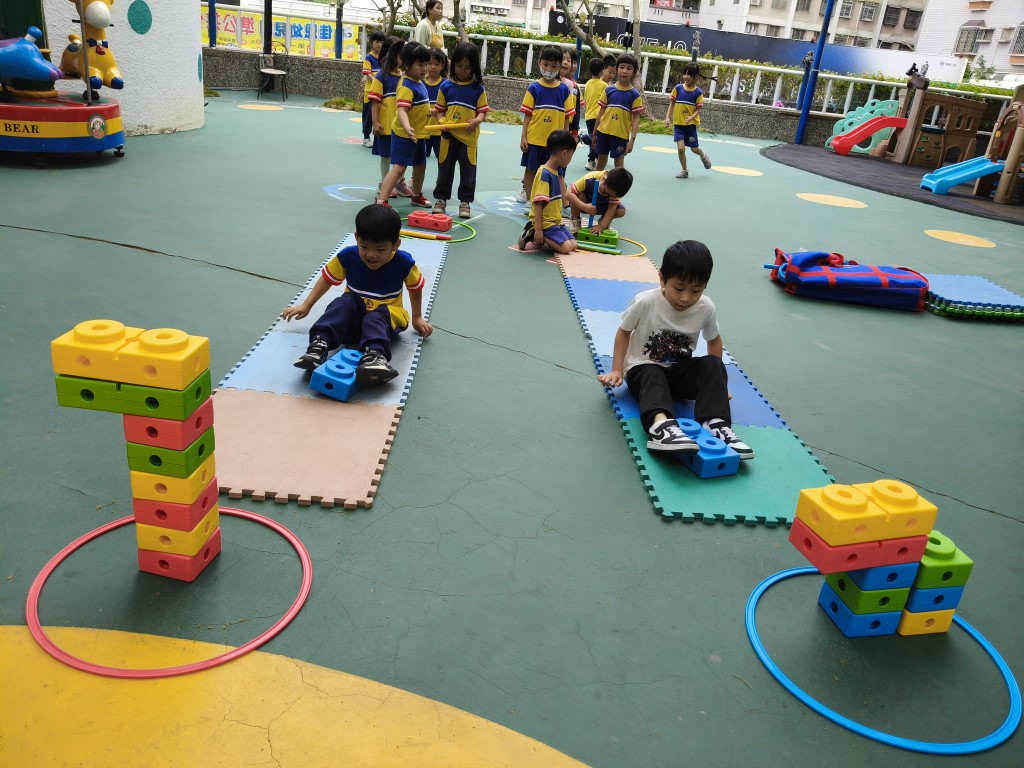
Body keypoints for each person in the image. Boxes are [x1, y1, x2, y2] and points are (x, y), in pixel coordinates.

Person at [597, 240, 754, 459]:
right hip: (643, 372)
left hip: (678, 374)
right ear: (662, 278)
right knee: (652, 372)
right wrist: (616, 369)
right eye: (679, 288)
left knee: (712, 363)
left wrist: (716, 388)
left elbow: (714, 341)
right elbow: (624, 332)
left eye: (695, 290)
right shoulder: (646, 301)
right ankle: (661, 427)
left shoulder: (706, 307)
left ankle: (716, 424)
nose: (685, 298)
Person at [284, 204, 433, 384]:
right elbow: (327, 279)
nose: (371, 255)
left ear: (395, 245)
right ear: (356, 238)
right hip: (354, 323)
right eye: (364, 246)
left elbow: (415, 287)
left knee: (376, 317)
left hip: (388, 318)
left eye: (380, 249)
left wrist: (417, 317)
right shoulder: (348, 256)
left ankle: (375, 356)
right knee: (342, 303)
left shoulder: (403, 262)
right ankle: (318, 346)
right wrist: (307, 305)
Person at [432, 41, 489, 219]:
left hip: (469, 138)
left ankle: (465, 202)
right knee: (444, 169)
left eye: (467, 67)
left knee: (468, 171)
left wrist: (477, 121)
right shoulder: (446, 86)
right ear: (453, 64)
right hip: (448, 135)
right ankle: (441, 199)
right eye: (459, 66)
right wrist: (442, 122)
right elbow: (440, 111)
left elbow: (483, 112)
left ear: (474, 68)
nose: (462, 70)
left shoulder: (477, 88)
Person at [516, 45, 575, 204]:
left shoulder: (564, 90)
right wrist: (524, 137)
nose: (549, 69)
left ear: (560, 67)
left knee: (557, 173)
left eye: (554, 66)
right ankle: (530, 201)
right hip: (534, 139)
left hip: (555, 143)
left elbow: (567, 117)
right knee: (531, 170)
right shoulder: (534, 88)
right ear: (539, 63)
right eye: (546, 64)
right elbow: (528, 115)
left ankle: (564, 204)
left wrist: (565, 140)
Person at [377, 41, 433, 208]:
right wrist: (407, 127)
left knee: (420, 165)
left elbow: (419, 107)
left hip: (417, 134)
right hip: (404, 134)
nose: (425, 69)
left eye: (426, 64)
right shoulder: (407, 86)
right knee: (399, 168)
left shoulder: (418, 82)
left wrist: (433, 112)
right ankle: (382, 200)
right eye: (420, 65)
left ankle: (416, 195)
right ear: (407, 65)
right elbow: (402, 110)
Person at [517, 130, 578, 255]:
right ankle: (533, 232)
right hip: (545, 223)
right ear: (564, 153)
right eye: (571, 156)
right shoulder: (545, 174)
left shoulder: (556, 170)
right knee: (566, 248)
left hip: (555, 221)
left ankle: (544, 234)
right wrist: (539, 229)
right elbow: (538, 203)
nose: (570, 159)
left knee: (573, 245)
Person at [369, 36, 414, 199]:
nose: (403, 59)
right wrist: (375, 122)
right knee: (386, 156)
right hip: (386, 125)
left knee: (400, 156)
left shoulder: (404, 77)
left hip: (400, 126)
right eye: (400, 55)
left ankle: (400, 182)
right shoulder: (381, 76)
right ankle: (384, 182)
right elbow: (375, 102)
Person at [593, 53, 643, 171]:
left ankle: (618, 185)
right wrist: (594, 134)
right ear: (616, 69)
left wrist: (632, 140)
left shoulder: (635, 95)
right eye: (622, 67)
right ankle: (596, 184)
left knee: (619, 168)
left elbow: (636, 119)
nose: (624, 71)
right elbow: (601, 113)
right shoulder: (608, 90)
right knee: (600, 165)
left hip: (621, 136)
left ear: (634, 72)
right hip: (603, 133)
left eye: (629, 68)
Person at [664, 62, 712, 178]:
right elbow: (672, 104)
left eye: (689, 75)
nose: (686, 77)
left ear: (695, 76)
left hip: (690, 126)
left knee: (694, 149)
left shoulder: (698, 92)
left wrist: (691, 117)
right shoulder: (678, 88)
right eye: (684, 74)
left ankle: (703, 155)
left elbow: (698, 110)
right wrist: (667, 117)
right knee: (681, 148)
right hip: (678, 124)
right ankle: (684, 170)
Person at [563, 166, 632, 235]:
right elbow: (568, 194)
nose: (606, 195)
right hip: (585, 204)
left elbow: (611, 208)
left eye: (610, 196)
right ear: (604, 179)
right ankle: (575, 221)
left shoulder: (616, 189)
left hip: (602, 207)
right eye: (605, 192)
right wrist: (584, 206)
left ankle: (604, 221)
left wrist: (602, 226)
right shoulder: (590, 178)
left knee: (621, 211)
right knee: (578, 195)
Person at [581, 57, 612, 170]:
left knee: (593, 139)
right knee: (597, 139)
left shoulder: (588, 83)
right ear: (601, 71)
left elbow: (586, 98)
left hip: (588, 116)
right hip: (598, 116)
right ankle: (591, 159)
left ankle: (594, 159)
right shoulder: (604, 85)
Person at [360, 31, 386, 148]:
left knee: (380, 115)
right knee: (368, 115)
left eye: (382, 42)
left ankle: (378, 137)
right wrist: (377, 82)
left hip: (382, 92)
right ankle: (366, 137)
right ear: (372, 42)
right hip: (370, 92)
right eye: (377, 42)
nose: (379, 45)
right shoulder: (368, 57)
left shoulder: (385, 58)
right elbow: (367, 73)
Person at [424, 47, 449, 161]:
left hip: (440, 131)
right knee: (421, 161)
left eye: (437, 64)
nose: (433, 67)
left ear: (442, 66)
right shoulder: (420, 83)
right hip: (423, 130)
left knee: (442, 159)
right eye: (430, 63)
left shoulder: (446, 85)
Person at [561, 47, 581, 143]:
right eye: (563, 60)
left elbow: (576, 111)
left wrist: (574, 132)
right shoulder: (553, 84)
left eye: (574, 62)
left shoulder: (575, 87)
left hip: (568, 127)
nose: (573, 66)